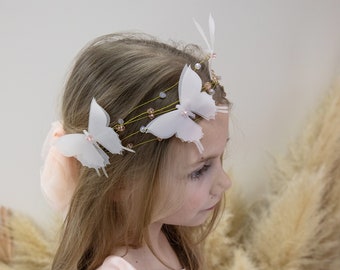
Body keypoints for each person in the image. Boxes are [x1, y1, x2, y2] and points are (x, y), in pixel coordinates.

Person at [41, 18, 231, 270]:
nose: (225, 182)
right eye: (199, 170)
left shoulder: (170, 237)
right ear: (120, 182)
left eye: (221, 158)